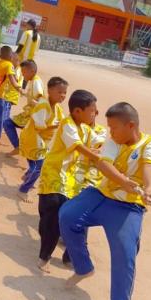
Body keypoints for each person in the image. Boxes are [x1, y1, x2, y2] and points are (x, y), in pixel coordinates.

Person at [58, 102, 151, 300]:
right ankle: (83, 268)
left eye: (113, 127)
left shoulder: (150, 144)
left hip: (128, 207)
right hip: (101, 195)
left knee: (125, 254)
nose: (110, 132)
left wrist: (149, 188)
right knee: (67, 216)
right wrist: (123, 181)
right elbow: (104, 164)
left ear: (130, 125)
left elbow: (150, 167)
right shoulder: (114, 141)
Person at [37, 90, 104, 273]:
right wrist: (99, 158)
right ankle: (44, 257)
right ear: (77, 111)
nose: (95, 114)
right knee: (51, 218)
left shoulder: (86, 128)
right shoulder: (68, 124)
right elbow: (79, 147)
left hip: (72, 181)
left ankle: (70, 257)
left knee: (78, 217)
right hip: (55, 177)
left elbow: (98, 143)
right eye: (92, 111)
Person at [18, 76, 68, 201]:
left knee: (36, 165)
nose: (62, 95)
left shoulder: (57, 107)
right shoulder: (43, 105)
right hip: (33, 138)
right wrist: (56, 126)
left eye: (65, 93)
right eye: (59, 92)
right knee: (39, 167)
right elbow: (40, 126)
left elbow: (63, 121)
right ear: (49, 91)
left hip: (42, 141)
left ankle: (27, 176)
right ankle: (23, 189)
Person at [3, 59, 44, 155]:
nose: (23, 74)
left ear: (32, 71)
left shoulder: (36, 82)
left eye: (24, 72)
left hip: (32, 116)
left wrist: (34, 102)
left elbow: (40, 100)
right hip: (29, 115)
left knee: (8, 123)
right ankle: (20, 147)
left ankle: (19, 147)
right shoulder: (34, 80)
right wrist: (24, 92)